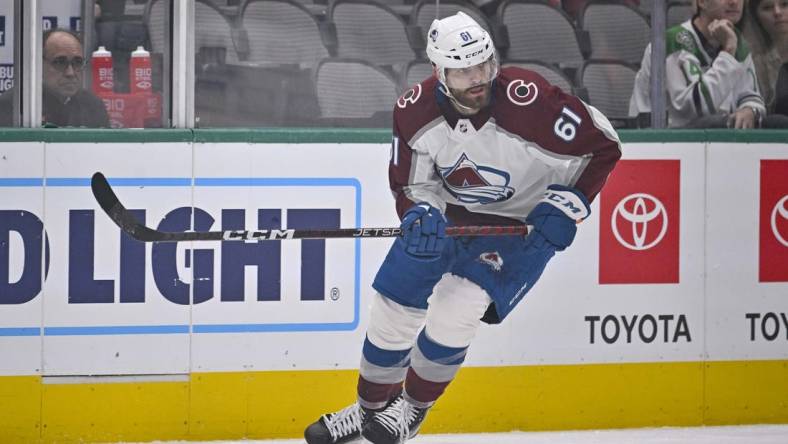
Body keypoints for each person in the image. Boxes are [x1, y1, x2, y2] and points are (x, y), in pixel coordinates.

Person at [304, 12, 621, 444]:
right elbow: (414, 184)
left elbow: (605, 145)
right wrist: (419, 213)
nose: (478, 78)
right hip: (447, 218)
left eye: (484, 66)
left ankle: (412, 409)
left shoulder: (532, 102)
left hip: (519, 227)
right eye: (464, 70)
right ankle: (369, 411)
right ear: (439, 72)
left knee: (458, 308)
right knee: (393, 303)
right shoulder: (414, 111)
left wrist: (569, 202)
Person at [629, 0, 767, 128]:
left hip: (714, 140)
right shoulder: (671, 42)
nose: (734, 2)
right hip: (664, 142)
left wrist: (750, 110)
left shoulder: (736, 42)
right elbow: (697, 108)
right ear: (701, 2)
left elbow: (751, 96)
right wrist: (728, 52)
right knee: (716, 123)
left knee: (780, 122)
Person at [42, 28, 110, 127]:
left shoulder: (93, 105)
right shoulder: (19, 105)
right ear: (39, 65)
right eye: (60, 62)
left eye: (77, 62)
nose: (70, 73)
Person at [745, 0, 788, 119]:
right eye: (768, 8)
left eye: (785, 5)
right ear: (756, 16)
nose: (777, 12)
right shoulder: (752, 62)